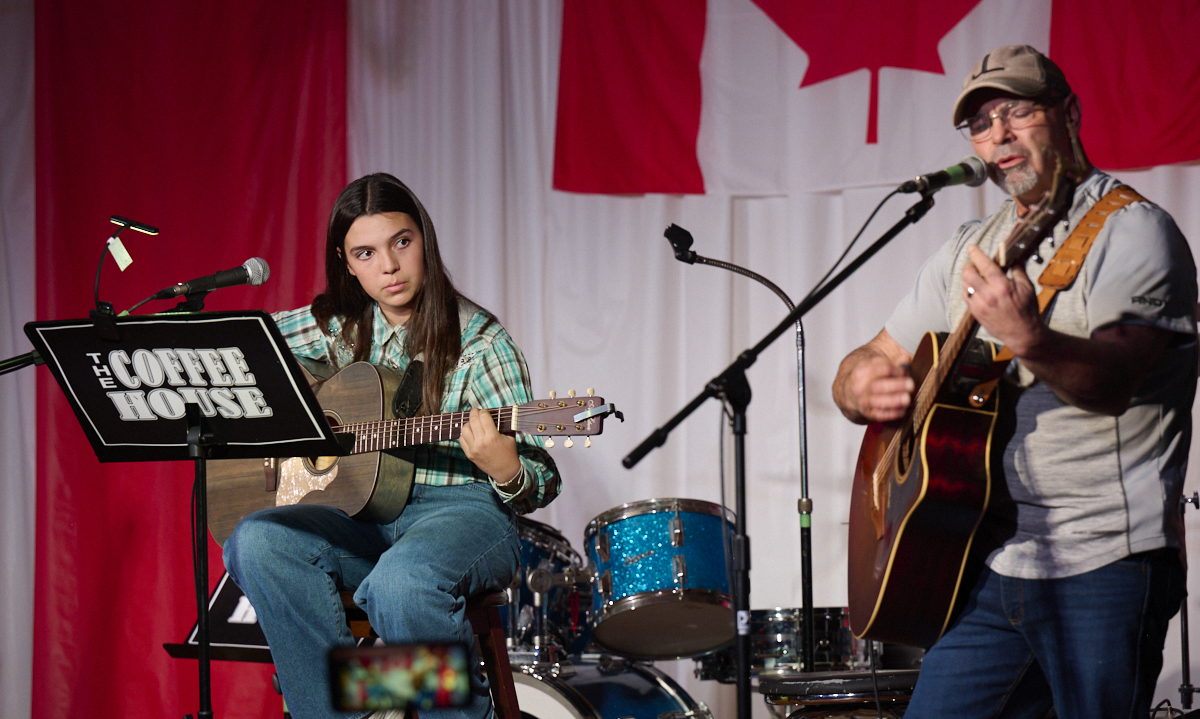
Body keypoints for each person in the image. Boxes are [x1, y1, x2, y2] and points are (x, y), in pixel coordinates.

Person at [832, 45, 1196, 717]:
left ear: (1069, 113)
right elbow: (864, 359)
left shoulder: (1134, 233)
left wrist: (1031, 338)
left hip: (1107, 560)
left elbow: (1113, 379)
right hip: (992, 559)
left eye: (1017, 111)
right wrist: (860, 387)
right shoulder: (971, 244)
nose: (996, 136)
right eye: (979, 123)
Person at [224, 173, 561, 719]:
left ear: (424, 239)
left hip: (461, 512)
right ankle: (333, 710)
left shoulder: (481, 345)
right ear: (347, 262)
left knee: (400, 586)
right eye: (366, 252)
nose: (389, 266)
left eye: (401, 242)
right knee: (257, 540)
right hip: (363, 513)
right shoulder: (335, 327)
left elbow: (541, 479)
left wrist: (508, 469)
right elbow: (248, 344)